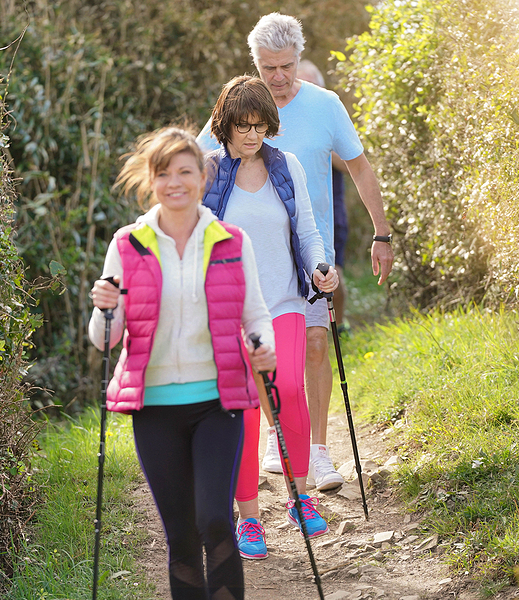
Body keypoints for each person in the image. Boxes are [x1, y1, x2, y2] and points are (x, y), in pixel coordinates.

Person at [197, 13, 394, 492]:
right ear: (256, 65)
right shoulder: (241, 110)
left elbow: (362, 170)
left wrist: (382, 233)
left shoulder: (326, 106)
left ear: (299, 60)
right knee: (270, 358)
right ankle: (276, 434)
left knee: (316, 344)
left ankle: (320, 453)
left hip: (312, 254)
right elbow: (197, 160)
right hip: (256, 261)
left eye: (286, 66)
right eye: (269, 68)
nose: (279, 77)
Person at [88, 126, 276, 599]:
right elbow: (103, 340)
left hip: (219, 398)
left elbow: (255, 314)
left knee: (214, 518)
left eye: (185, 172)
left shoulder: (231, 240)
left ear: (202, 175)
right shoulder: (127, 244)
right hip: (154, 407)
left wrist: (262, 346)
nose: (176, 182)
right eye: (164, 173)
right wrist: (103, 307)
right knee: (181, 536)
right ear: (151, 181)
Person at [202, 75, 339, 560]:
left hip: (284, 301)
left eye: (260, 125)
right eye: (243, 126)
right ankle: (249, 520)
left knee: (290, 394)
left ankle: (299, 498)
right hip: (230, 312)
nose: (252, 135)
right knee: (245, 410)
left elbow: (307, 230)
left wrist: (321, 267)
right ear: (225, 125)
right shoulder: (209, 172)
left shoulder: (288, 167)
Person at [295, 60, 351, 336]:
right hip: (297, 212)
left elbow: (351, 163)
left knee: (334, 268)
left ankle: (339, 325)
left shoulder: (329, 114)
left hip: (331, 206)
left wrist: (321, 148)